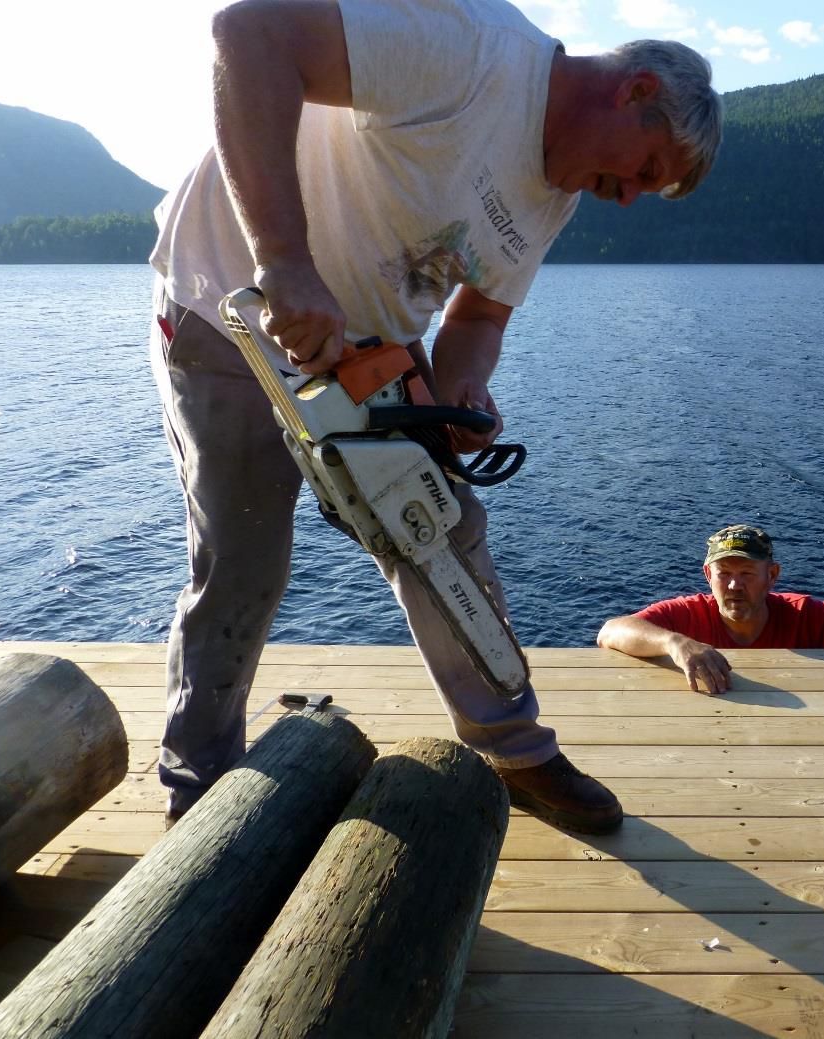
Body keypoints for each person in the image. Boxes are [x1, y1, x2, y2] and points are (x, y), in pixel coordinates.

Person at [147, 0, 723, 836]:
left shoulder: (558, 190)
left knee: (441, 524)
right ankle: (197, 792)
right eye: (643, 168)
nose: (628, 198)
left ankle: (513, 748)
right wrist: (285, 263)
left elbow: (479, 318)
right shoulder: (471, 47)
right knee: (242, 556)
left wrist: (463, 395)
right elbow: (249, 32)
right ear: (632, 89)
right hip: (226, 303)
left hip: (363, 341)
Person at [597, 524, 824, 703]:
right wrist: (675, 643)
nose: (733, 587)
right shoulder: (686, 615)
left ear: (771, 575)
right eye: (723, 575)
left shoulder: (803, 614)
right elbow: (611, 631)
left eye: (746, 574)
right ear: (707, 576)